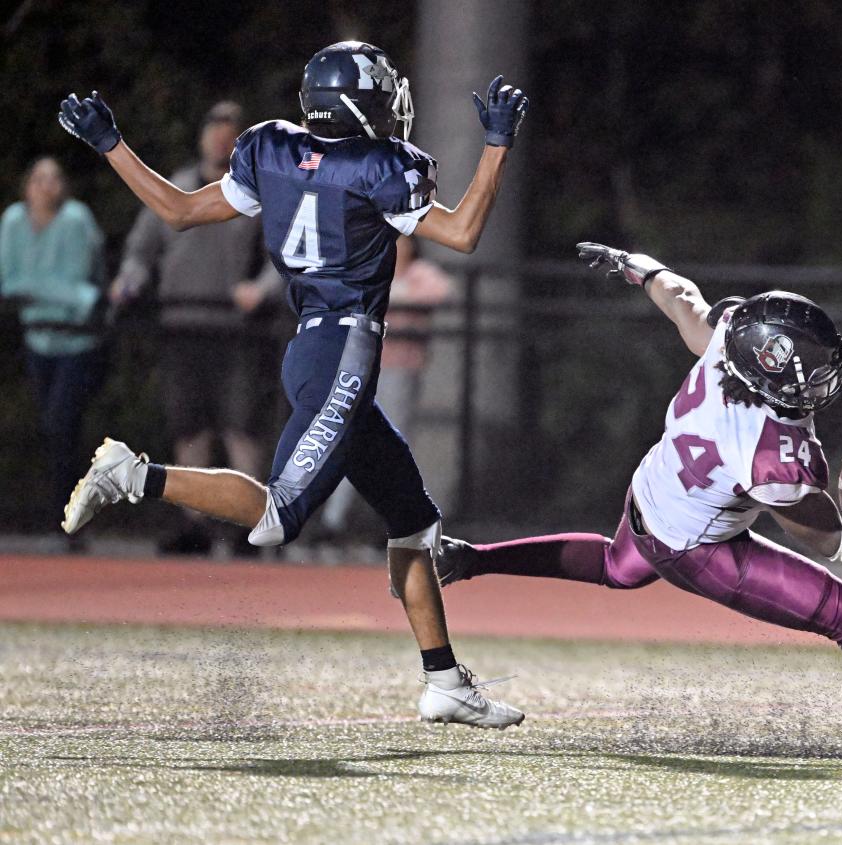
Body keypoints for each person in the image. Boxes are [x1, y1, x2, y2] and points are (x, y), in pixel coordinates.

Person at [56, 41, 529, 728]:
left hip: (313, 345)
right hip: (343, 350)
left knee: (414, 522)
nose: (394, 101)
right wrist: (496, 147)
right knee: (279, 518)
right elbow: (461, 232)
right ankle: (136, 474)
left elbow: (182, 211)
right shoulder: (382, 167)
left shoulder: (270, 149)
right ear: (357, 105)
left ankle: (445, 680)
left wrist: (112, 146)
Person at [435, 243, 842, 764]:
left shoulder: (729, 339)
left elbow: (680, 298)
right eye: (806, 371)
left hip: (655, 488)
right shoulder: (771, 456)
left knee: (619, 567)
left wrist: (636, 265)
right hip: (695, 545)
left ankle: (469, 560)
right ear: (769, 375)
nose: (819, 379)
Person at [111, 101, 282, 556]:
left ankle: (252, 525)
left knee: (241, 428)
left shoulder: (255, 194)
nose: (221, 138)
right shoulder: (176, 189)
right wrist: (129, 281)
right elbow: (141, 251)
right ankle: (195, 524)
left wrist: (261, 290)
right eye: (215, 128)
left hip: (235, 329)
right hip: (181, 325)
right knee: (189, 430)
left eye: (231, 130)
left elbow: (282, 255)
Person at [318, 235, 453, 541]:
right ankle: (332, 523)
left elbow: (441, 292)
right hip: (361, 369)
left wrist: (392, 296)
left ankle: (390, 522)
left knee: (392, 446)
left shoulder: (419, 273)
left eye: (403, 243)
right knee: (351, 443)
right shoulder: (370, 269)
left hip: (399, 371)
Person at [0, 157, 106, 534]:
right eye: (39, 179)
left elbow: (82, 286)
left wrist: (48, 292)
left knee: (63, 425)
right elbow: (10, 283)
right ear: (27, 185)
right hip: (37, 339)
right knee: (51, 428)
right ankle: (63, 510)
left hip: (78, 343)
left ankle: (72, 513)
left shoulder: (77, 219)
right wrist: (66, 295)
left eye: (55, 179)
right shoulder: (13, 220)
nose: (47, 186)